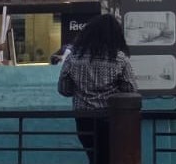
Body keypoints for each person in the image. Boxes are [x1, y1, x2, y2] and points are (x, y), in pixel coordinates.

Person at [57, 14, 137, 164]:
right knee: (110, 157)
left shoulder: (73, 58)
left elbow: (63, 89)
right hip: (111, 118)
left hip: (83, 118)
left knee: (93, 156)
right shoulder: (120, 59)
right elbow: (130, 90)